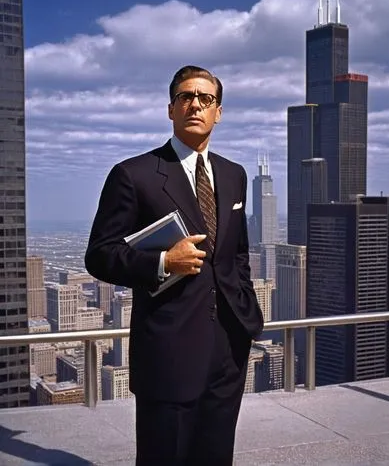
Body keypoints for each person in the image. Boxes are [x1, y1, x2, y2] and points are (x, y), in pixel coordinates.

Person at [85, 65, 264, 465]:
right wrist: (165, 261)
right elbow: (99, 254)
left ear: (218, 111)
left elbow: (236, 253)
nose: (195, 104)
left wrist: (247, 313)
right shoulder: (134, 175)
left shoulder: (234, 175)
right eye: (185, 97)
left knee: (217, 456)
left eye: (205, 98)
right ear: (170, 109)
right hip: (168, 348)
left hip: (228, 346)